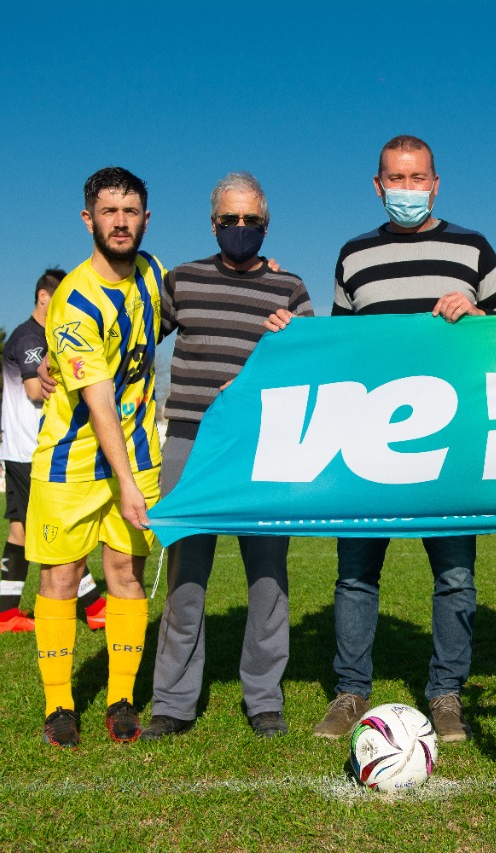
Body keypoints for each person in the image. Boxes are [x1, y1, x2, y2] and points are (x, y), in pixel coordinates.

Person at [268, 134, 496, 743]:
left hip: (452, 439)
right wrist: (297, 335)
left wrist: (479, 315)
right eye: (395, 179)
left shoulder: (473, 248)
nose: (407, 189)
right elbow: (342, 349)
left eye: (418, 178)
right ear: (377, 186)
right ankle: (351, 690)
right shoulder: (353, 256)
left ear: (436, 182)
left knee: (455, 574)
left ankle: (448, 693)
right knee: (355, 573)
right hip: (367, 440)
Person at [139, 172, 313, 742]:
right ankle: (172, 700)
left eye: (252, 221)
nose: (241, 229)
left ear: (266, 224)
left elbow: (313, 371)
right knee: (186, 579)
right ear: (213, 223)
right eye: (230, 220)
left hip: (266, 448)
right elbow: (136, 343)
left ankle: (264, 698)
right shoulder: (180, 280)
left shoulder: (290, 288)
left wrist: (292, 339)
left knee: (268, 579)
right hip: (190, 444)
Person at [26, 166, 166, 748]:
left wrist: (266, 278)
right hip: (71, 462)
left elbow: (181, 318)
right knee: (62, 575)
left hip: (140, 458)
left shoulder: (154, 274)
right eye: (109, 212)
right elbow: (100, 401)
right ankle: (60, 705)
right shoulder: (74, 299)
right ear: (89, 219)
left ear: (145, 219)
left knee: (125, 574)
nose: (120, 222)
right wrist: (126, 481)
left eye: (130, 212)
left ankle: (121, 698)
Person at [0, 268, 107, 634]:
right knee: (60, 529)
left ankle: (7, 614)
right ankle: (94, 605)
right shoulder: (32, 337)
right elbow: (33, 391)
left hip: (22, 450)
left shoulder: (41, 335)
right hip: (33, 451)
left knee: (22, 530)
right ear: (44, 297)